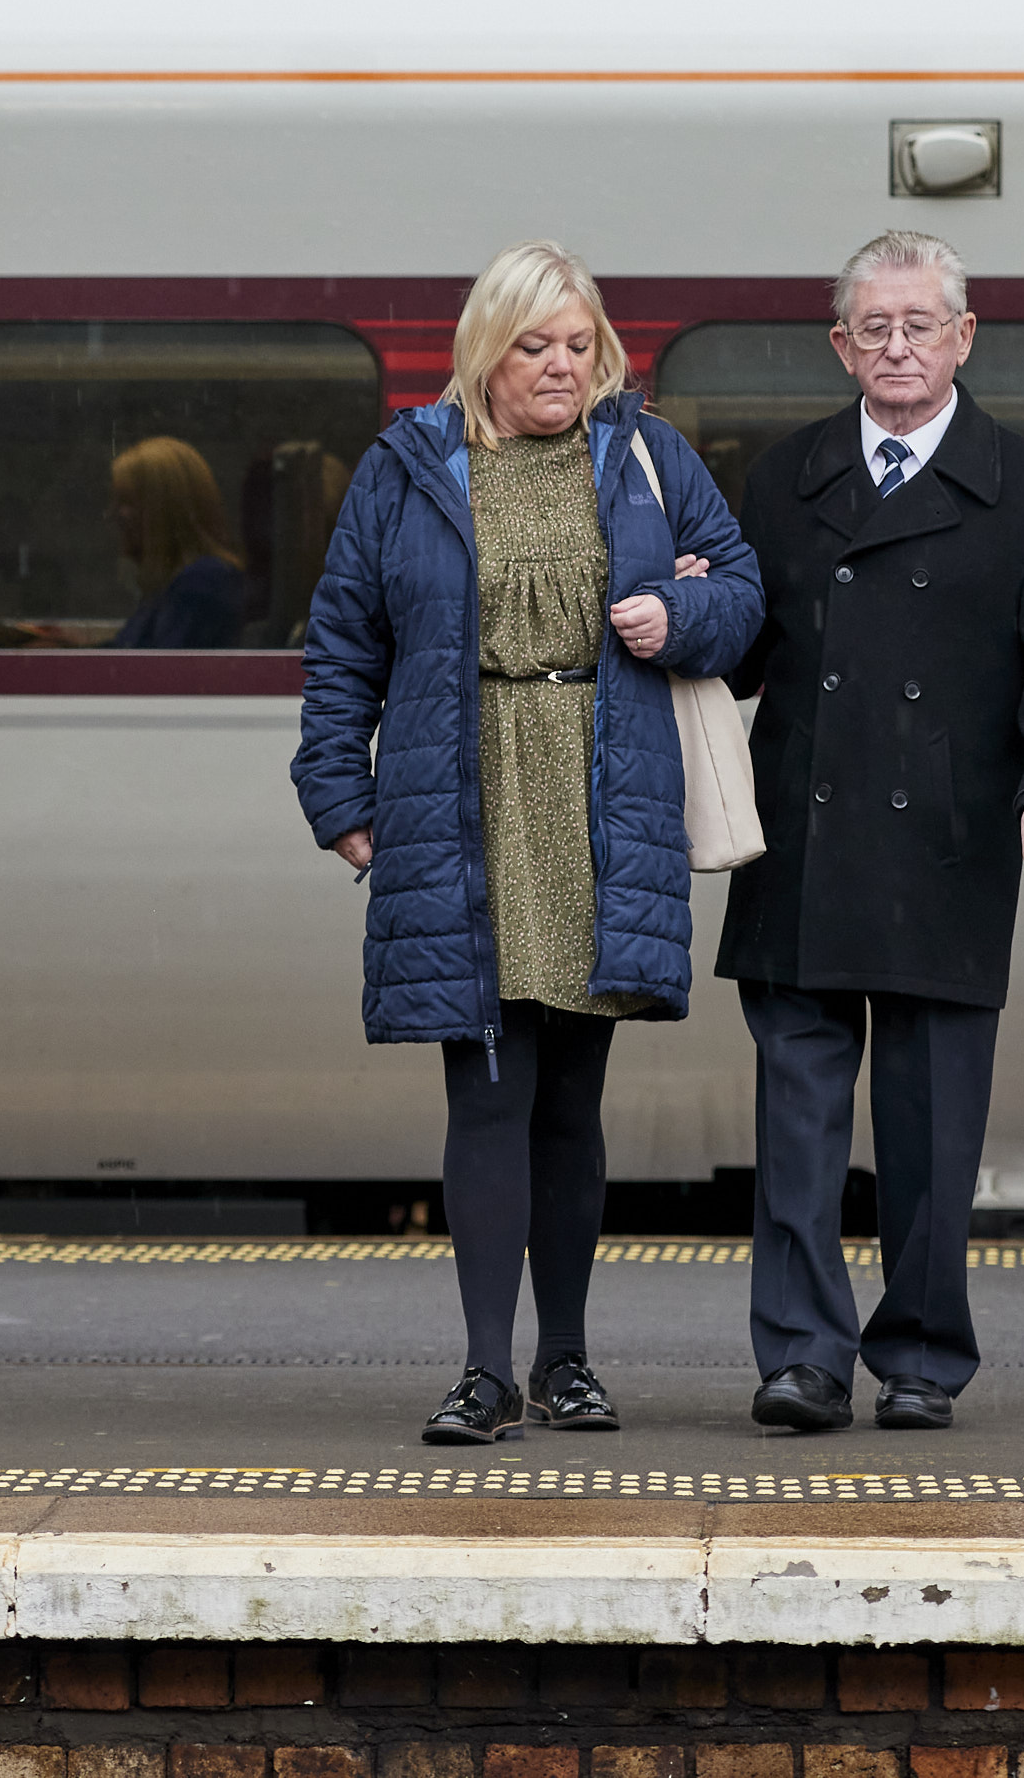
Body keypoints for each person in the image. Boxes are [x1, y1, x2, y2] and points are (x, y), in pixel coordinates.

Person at [294, 241, 764, 1446]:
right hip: (463, 791)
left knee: (572, 1100)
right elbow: (344, 641)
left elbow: (749, 595)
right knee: (485, 1092)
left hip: (599, 795)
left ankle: (567, 1361)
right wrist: (340, 800)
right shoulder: (407, 468)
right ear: (483, 353)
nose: (560, 368)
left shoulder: (649, 456)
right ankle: (482, 1370)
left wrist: (682, 613)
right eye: (533, 346)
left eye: (577, 345)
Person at [726, 229, 1024, 1436]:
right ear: (841, 345)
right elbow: (742, 650)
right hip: (798, 834)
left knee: (931, 1127)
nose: (898, 347)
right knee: (796, 1126)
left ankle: (921, 1356)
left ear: (963, 337)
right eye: (874, 327)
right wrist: (679, 618)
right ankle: (800, 1353)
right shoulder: (783, 481)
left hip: (949, 845)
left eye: (920, 324)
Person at [109, 434, 249, 647]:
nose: (115, 514)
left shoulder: (200, 585)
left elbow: (158, 673)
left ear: (162, 510)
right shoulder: (166, 587)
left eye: (127, 502)